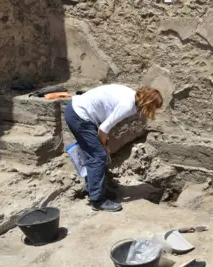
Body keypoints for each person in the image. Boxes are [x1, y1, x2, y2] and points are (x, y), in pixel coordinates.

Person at [64, 84, 163, 212]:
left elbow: (107, 122)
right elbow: (103, 129)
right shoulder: (127, 106)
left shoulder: (132, 96)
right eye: (154, 107)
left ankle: (96, 190)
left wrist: (105, 144)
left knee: (95, 154)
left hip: (80, 112)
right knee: (98, 156)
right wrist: (104, 147)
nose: (153, 111)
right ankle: (97, 200)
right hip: (79, 115)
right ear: (149, 103)